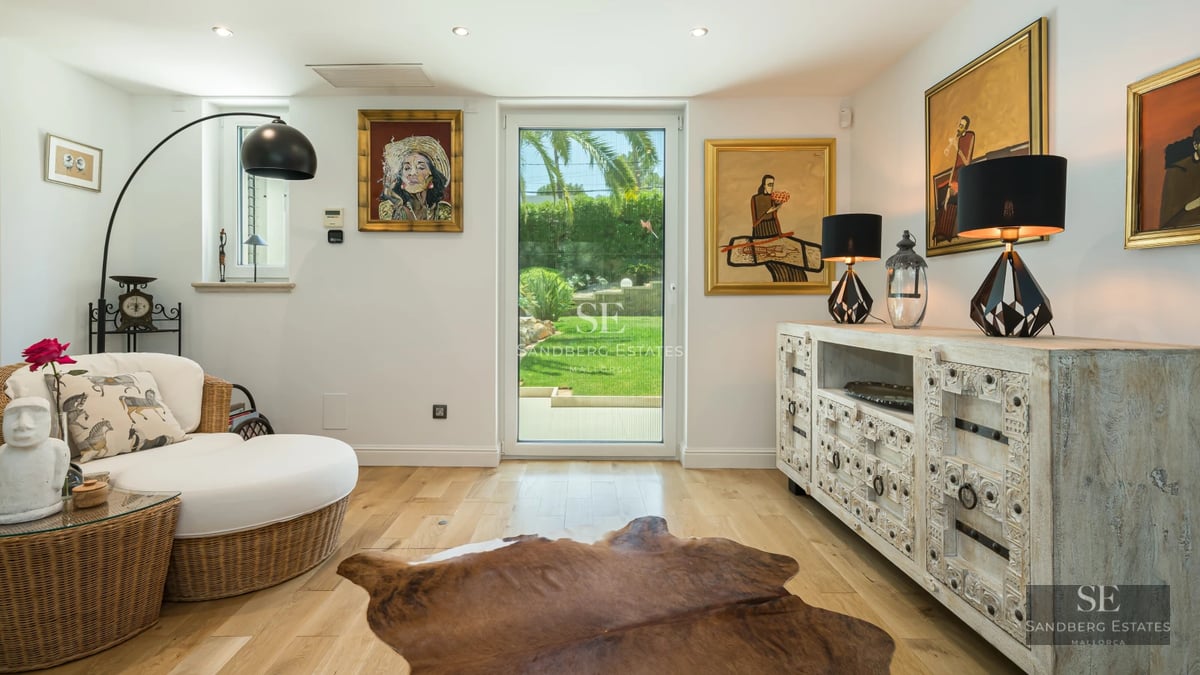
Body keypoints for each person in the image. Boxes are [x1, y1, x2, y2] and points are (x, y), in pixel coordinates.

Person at [0, 397, 71, 524]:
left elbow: (57, 484)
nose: (22, 425)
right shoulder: (2, 452)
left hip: (48, 507)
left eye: (35, 414)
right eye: (13, 415)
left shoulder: (57, 448)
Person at [748, 174, 812, 282]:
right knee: (780, 267)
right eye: (769, 185)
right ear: (763, 185)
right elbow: (756, 222)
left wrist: (778, 206)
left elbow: (774, 217)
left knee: (794, 267)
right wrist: (769, 211)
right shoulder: (755, 199)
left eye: (772, 185)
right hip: (761, 233)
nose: (771, 187)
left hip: (774, 231)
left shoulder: (772, 197)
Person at [379, 135, 453, 221]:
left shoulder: (443, 211)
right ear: (400, 178)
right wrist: (397, 207)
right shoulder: (389, 209)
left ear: (432, 176)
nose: (412, 173)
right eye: (407, 168)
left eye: (421, 167)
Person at [934, 115, 976, 241]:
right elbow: (955, 163)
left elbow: (966, 162)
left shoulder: (970, 137)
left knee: (954, 200)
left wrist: (957, 149)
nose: (960, 128)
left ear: (966, 128)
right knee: (945, 202)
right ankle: (943, 232)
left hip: (963, 172)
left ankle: (953, 231)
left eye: (962, 126)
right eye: (959, 125)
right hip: (956, 172)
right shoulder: (958, 139)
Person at [1159, 125, 1200, 230]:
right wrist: (1194, 204)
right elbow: (1169, 218)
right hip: (1185, 227)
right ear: (1195, 145)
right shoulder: (1177, 170)